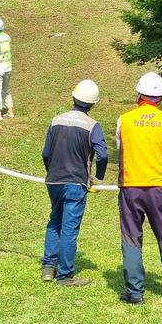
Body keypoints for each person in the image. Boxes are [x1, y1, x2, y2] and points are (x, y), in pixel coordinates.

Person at [116, 72, 162, 305]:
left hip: (130, 187)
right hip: (159, 188)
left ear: (139, 95)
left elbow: (121, 149)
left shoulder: (124, 120)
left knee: (132, 239)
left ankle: (135, 294)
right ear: (161, 98)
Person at [41, 80, 108, 286]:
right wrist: (98, 176)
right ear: (92, 104)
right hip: (76, 183)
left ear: (74, 98)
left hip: (53, 180)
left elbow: (45, 153)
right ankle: (65, 275)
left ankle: (48, 268)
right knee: (70, 228)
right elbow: (103, 155)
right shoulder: (92, 126)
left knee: (55, 221)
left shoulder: (56, 120)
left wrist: (50, 172)